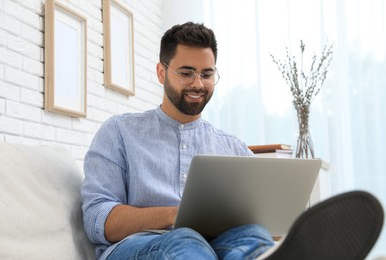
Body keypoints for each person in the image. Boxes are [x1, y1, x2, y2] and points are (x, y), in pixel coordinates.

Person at [81, 22, 383, 260]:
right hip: (142, 247)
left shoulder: (233, 148)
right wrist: (177, 215)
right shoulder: (119, 131)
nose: (198, 84)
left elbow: (260, 217)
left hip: (221, 246)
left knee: (251, 237)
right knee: (186, 240)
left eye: (206, 74)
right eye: (186, 73)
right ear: (162, 72)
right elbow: (98, 220)